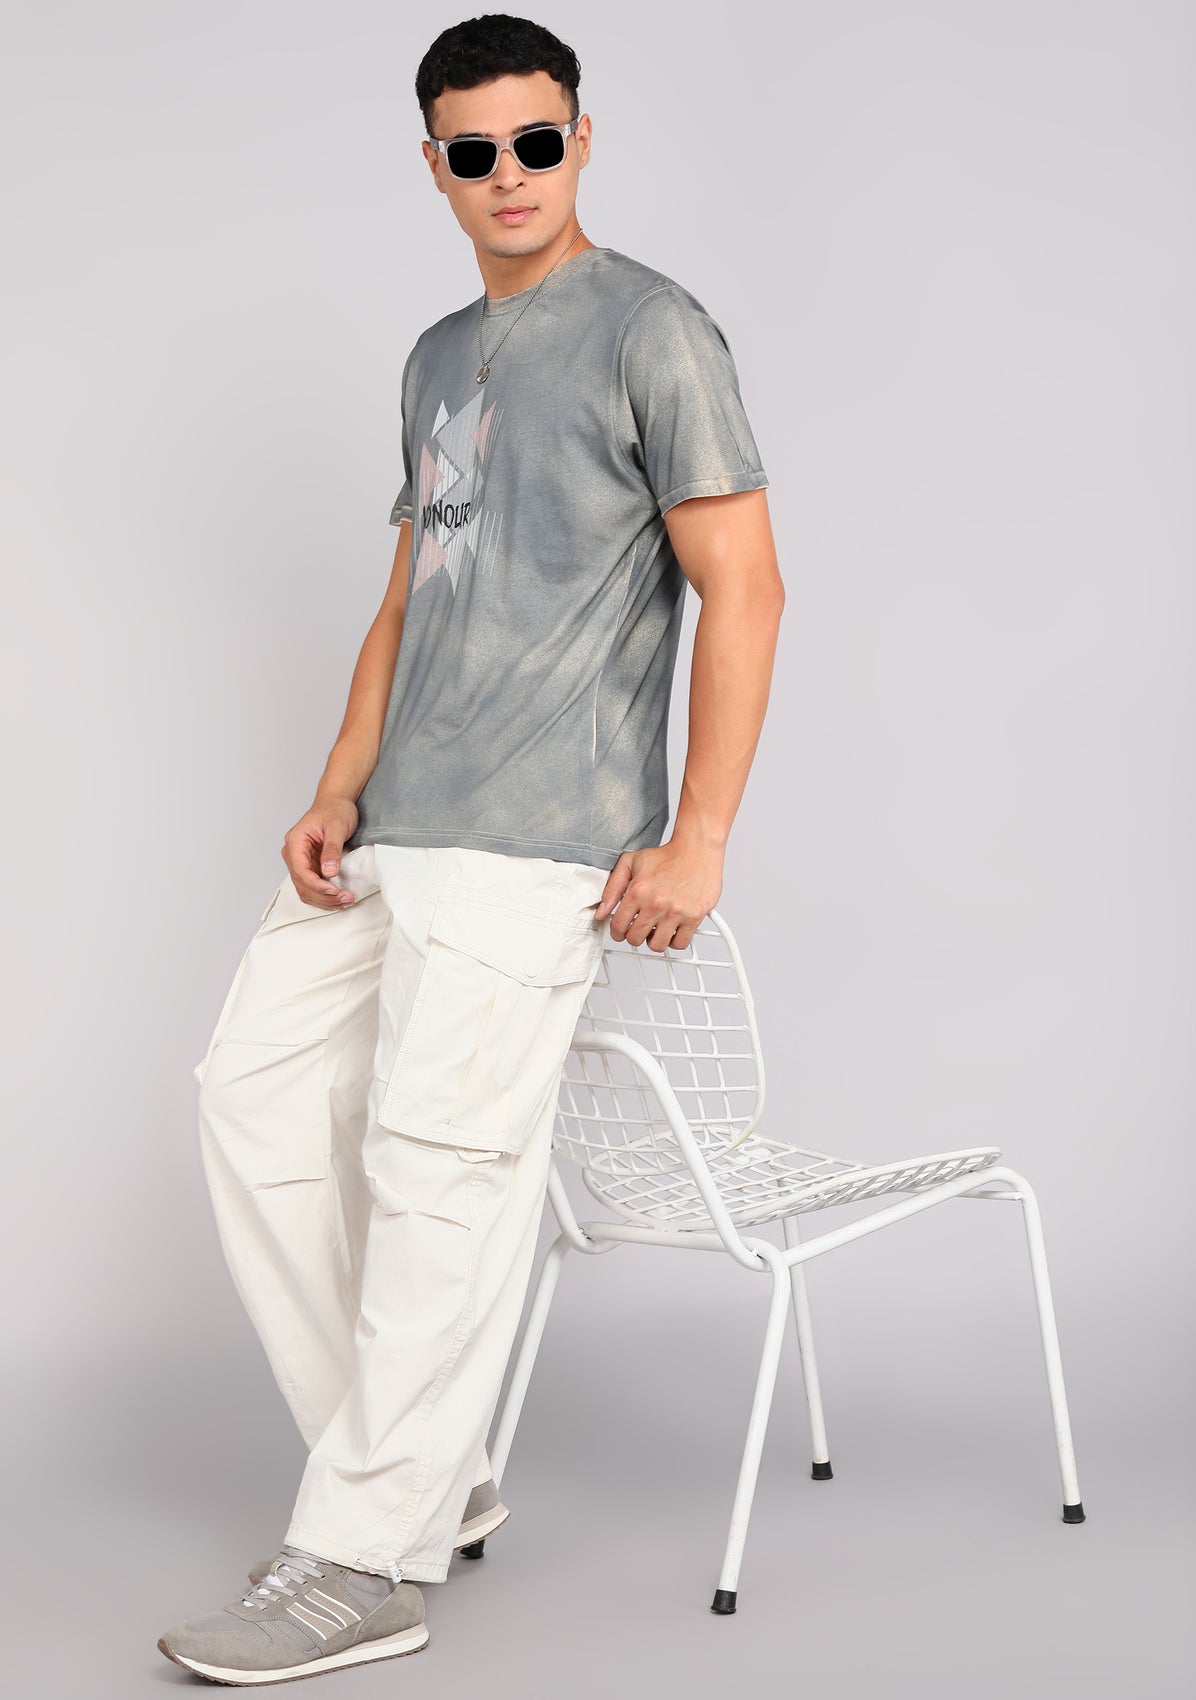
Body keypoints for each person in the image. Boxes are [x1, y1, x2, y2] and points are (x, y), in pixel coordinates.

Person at [158, 11, 784, 1685]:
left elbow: (744, 585)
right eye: (474, 150)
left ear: (580, 138)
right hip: (395, 828)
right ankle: (426, 1469)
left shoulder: (653, 331)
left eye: (537, 141)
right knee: (255, 1104)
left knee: (439, 1171)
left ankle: (362, 1557)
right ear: (433, 164)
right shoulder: (438, 354)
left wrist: (700, 833)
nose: (510, 174)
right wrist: (336, 785)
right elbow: (403, 599)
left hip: (537, 839)